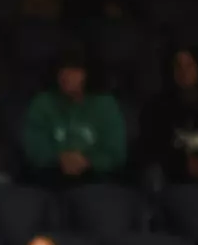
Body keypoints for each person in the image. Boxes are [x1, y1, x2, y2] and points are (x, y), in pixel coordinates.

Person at [21, 52, 127, 185]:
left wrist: (88, 162)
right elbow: (33, 149)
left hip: (97, 181)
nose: (66, 76)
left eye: (74, 71)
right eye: (62, 70)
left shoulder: (106, 105)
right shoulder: (42, 103)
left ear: (88, 74)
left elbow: (116, 152)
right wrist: (59, 159)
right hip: (50, 179)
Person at [142, 46, 198, 183]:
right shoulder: (157, 106)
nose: (184, 72)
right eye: (178, 66)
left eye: (189, 65)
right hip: (172, 181)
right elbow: (152, 146)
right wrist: (183, 163)